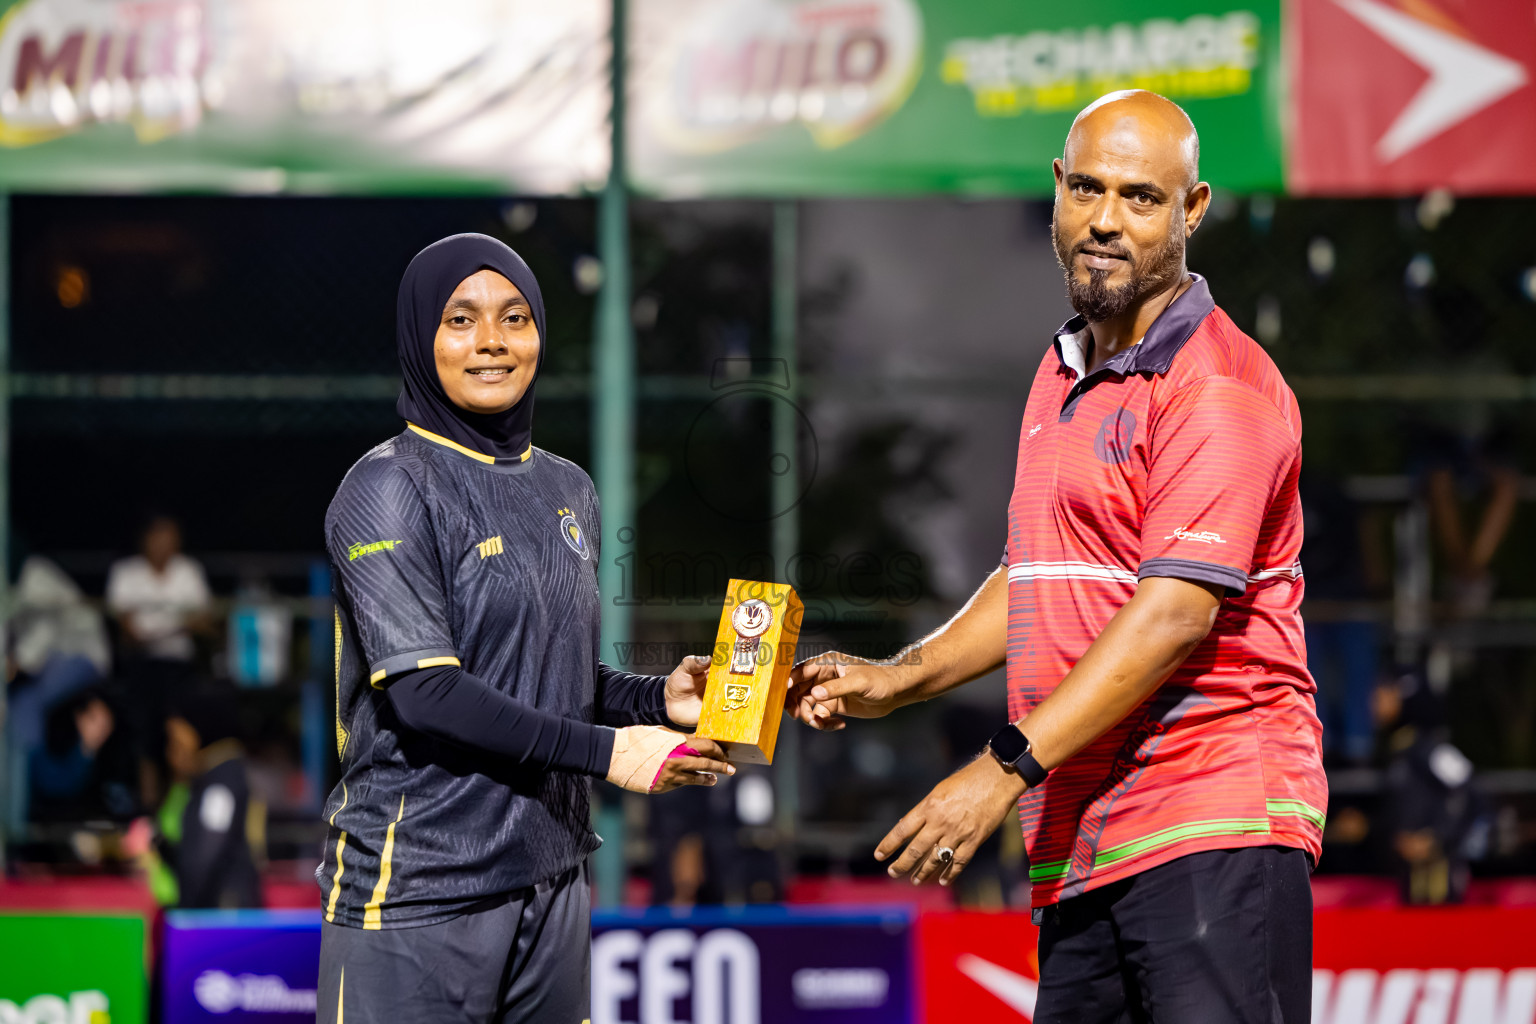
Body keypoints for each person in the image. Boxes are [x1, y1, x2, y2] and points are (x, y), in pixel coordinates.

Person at [789, 91, 1324, 1023]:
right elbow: (1041, 575)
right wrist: (899, 679)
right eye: (1087, 188)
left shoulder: (1219, 386)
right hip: (1088, 834)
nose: (1105, 220)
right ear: (1056, 191)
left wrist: (998, 770)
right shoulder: (1067, 367)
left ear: (1192, 211)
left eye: (1140, 198)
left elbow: (1174, 613)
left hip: (1212, 818)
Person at [315, 233, 734, 1023]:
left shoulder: (566, 487)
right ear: (419, 337)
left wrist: (654, 700)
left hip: (552, 881)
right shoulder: (386, 487)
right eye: (461, 320)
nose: (492, 343)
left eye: (514, 317)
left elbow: (547, 675)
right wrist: (611, 752)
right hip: (419, 894)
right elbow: (426, 693)